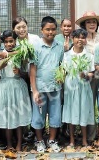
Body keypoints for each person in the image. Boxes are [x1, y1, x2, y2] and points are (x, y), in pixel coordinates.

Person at [0, 30, 32, 151]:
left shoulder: (21, 53)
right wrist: (0, 66)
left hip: (18, 86)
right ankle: (9, 144)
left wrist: (20, 72)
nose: (9, 44)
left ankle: (19, 144)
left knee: (18, 116)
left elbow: (26, 73)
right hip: (4, 87)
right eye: (7, 42)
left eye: (11, 41)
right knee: (7, 117)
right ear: (3, 42)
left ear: (16, 41)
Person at [29, 16, 64, 153]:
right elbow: (33, 68)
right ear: (41, 30)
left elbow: (61, 65)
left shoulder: (59, 46)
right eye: (47, 29)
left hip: (55, 88)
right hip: (40, 88)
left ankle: (52, 140)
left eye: (53, 29)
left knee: (55, 115)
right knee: (38, 116)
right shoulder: (36, 46)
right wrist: (35, 90)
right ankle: (39, 141)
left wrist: (61, 76)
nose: (50, 32)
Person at [75, 10, 99, 143]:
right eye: (88, 22)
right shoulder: (81, 38)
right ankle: (90, 135)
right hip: (89, 75)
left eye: (94, 22)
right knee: (89, 104)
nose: (91, 24)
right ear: (84, 24)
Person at [62, 28, 94, 147]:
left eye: (82, 37)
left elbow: (92, 73)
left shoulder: (89, 56)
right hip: (70, 88)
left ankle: (84, 139)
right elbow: (63, 71)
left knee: (83, 111)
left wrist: (86, 75)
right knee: (72, 111)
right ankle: (72, 139)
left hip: (84, 88)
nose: (80, 40)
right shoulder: (67, 55)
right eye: (77, 37)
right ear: (72, 39)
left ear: (85, 40)